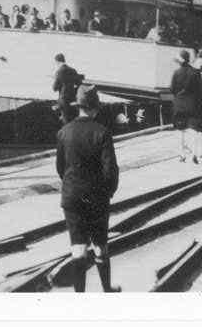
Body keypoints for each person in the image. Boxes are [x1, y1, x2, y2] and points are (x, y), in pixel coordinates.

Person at [55, 85, 120, 292]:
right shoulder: (102, 132)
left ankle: (80, 298)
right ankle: (106, 290)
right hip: (96, 197)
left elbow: (60, 167)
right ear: (95, 107)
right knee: (100, 246)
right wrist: (107, 192)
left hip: (71, 197)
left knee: (77, 248)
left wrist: (71, 187)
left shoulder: (64, 132)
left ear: (79, 106)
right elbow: (110, 170)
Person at [169, 50, 202, 163]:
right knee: (194, 130)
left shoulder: (176, 73)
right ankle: (194, 154)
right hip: (193, 105)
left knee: (181, 130)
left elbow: (172, 89)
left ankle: (182, 155)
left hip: (179, 105)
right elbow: (200, 91)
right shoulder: (195, 72)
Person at [52, 53, 84, 124]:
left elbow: (54, 88)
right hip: (73, 99)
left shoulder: (59, 72)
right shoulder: (73, 70)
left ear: (57, 62)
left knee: (65, 121)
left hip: (64, 101)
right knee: (73, 119)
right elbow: (79, 84)